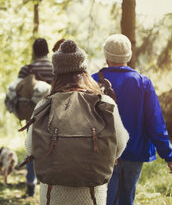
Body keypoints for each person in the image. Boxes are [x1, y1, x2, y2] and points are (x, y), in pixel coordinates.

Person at [25, 40, 129, 205]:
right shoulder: (104, 102)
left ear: (56, 72)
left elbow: (31, 148)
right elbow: (121, 143)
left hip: (53, 194)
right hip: (92, 194)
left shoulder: (45, 104)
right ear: (84, 70)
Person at [92, 34, 172, 205]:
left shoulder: (92, 82)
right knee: (127, 199)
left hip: (100, 151)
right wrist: (168, 155)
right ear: (128, 55)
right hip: (133, 153)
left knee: (102, 200)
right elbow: (155, 123)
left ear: (106, 55)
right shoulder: (142, 82)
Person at [18, 38, 53, 197]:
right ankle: (49, 186)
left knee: (32, 147)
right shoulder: (56, 68)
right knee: (53, 148)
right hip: (54, 114)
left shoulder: (27, 69)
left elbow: (18, 90)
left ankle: (30, 184)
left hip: (32, 115)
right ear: (48, 51)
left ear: (34, 51)